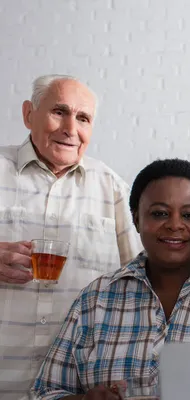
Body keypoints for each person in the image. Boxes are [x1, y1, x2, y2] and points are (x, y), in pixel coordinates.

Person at [31, 158, 190, 399]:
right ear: (137, 219)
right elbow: (44, 392)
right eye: (159, 213)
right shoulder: (95, 299)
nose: (174, 225)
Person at [0, 75, 142, 399]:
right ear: (28, 114)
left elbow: (140, 285)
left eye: (83, 118)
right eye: (59, 112)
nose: (70, 128)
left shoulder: (113, 188)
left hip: (77, 389)